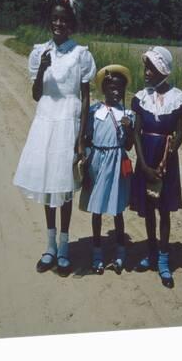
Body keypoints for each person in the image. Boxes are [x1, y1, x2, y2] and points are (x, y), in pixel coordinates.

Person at [13, 0, 96, 277]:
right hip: (46, 121)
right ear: (50, 22)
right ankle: (49, 246)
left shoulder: (81, 54)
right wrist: (42, 70)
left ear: (71, 23)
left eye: (64, 19)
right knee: (49, 185)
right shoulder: (40, 53)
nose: (59, 23)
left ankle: (64, 247)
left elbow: (85, 97)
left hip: (68, 123)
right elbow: (36, 94)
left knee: (65, 186)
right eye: (55, 19)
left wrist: (82, 135)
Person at [130, 46, 182, 288]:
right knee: (148, 207)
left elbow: (180, 132)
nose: (146, 72)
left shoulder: (178, 99)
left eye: (152, 68)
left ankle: (164, 259)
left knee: (163, 209)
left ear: (163, 71)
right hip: (146, 156)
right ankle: (151, 251)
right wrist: (143, 165)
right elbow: (136, 133)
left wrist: (169, 154)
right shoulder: (140, 98)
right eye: (146, 67)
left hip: (166, 162)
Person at [80, 65, 134, 275]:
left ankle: (120, 252)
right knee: (97, 208)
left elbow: (129, 145)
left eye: (119, 88)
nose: (115, 91)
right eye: (111, 87)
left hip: (117, 162)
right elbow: (86, 139)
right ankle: (97, 253)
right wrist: (84, 165)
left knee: (117, 208)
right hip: (97, 162)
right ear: (103, 89)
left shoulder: (127, 114)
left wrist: (129, 128)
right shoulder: (94, 111)